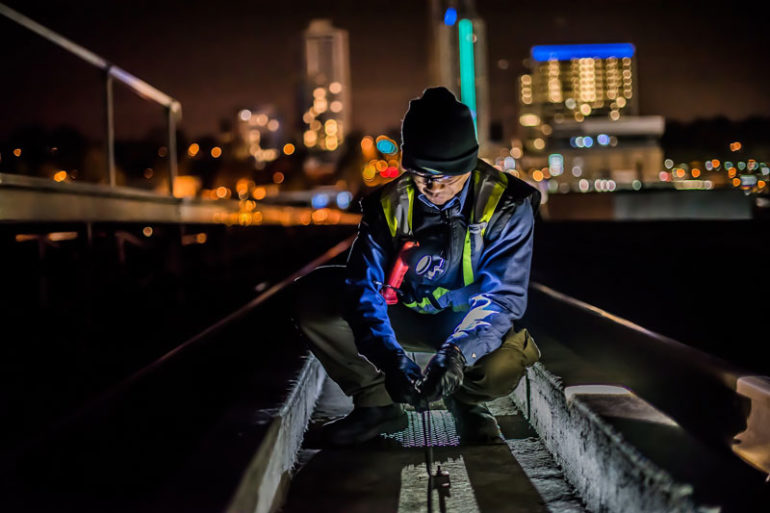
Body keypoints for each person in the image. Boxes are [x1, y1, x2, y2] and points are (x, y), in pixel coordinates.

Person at [293, 86, 541, 445]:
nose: (433, 187)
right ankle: (375, 405)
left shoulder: (509, 205)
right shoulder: (387, 205)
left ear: (468, 165)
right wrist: (390, 359)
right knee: (314, 296)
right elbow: (364, 288)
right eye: (423, 174)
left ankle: (467, 403)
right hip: (405, 316)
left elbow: (502, 299)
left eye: (447, 177)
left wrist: (456, 356)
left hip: (467, 320)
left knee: (501, 365)